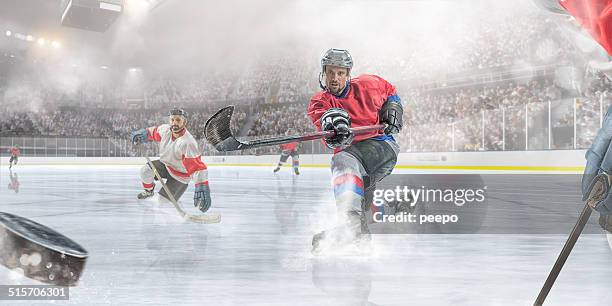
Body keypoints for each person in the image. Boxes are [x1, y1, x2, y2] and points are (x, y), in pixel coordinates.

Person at [307, 48, 404, 252]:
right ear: (323, 73)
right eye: (331, 72)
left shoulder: (369, 84)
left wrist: (394, 109)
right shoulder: (319, 101)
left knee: (342, 160)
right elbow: (325, 119)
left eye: (340, 73)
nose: (335, 78)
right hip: (356, 165)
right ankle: (356, 237)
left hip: (381, 147)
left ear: (348, 74)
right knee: (360, 210)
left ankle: (349, 222)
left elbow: (391, 91)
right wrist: (334, 126)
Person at [130, 108, 212, 213]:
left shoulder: (188, 143)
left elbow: (196, 167)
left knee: (162, 202)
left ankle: (173, 197)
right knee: (145, 171)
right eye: (172, 120)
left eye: (178, 120)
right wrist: (143, 134)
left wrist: (202, 185)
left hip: (180, 176)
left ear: (184, 122)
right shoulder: (165, 130)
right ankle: (149, 191)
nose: (174, 123)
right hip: (166, 166)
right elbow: (153, 132)